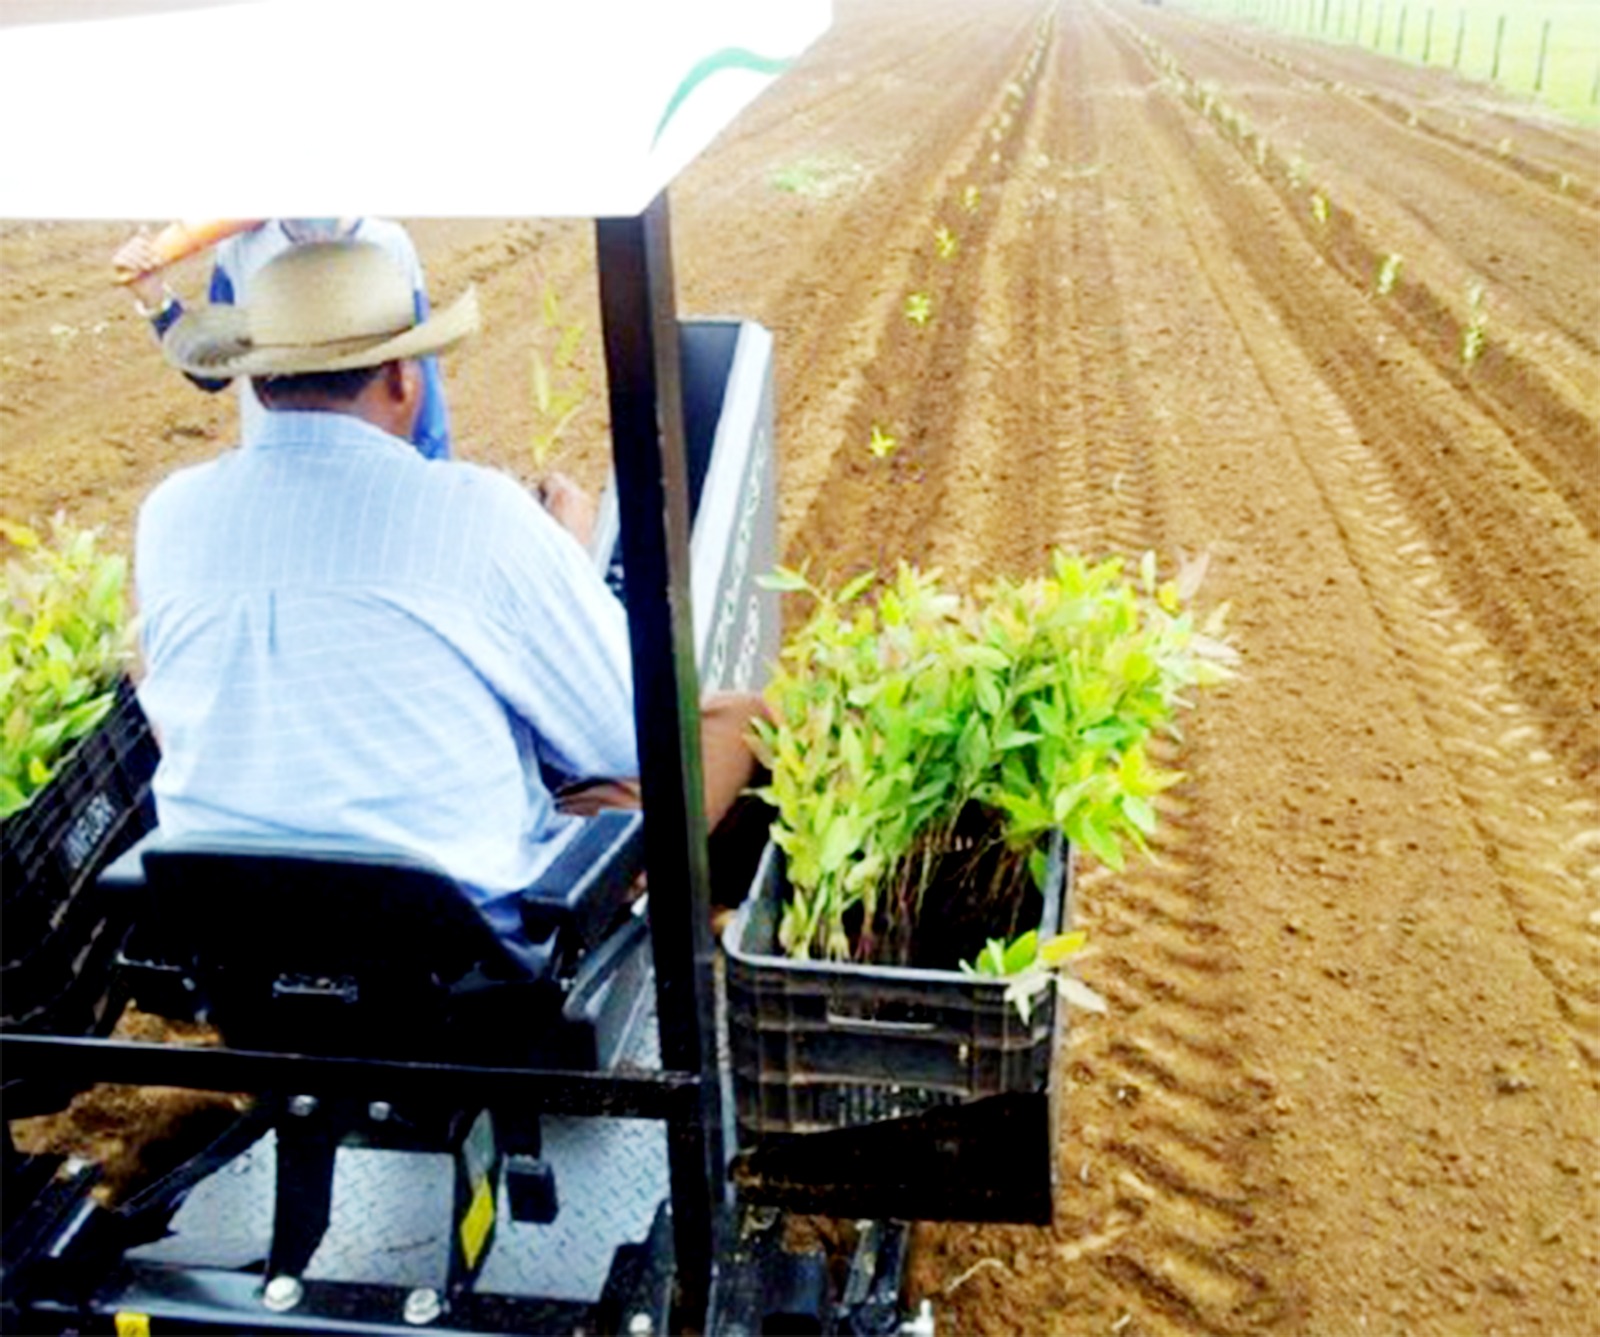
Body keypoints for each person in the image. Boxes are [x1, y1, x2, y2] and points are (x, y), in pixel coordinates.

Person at [136, 239, 764, 964]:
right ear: (406, 379)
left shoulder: (170, 514)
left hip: (231, 936)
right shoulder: (479, 514)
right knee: (740, 721)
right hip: (457, 956)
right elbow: (629, 734)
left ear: (258, 386)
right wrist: (570, 560)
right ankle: (687, 949)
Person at [113, 219, 454, 459]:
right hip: (280, 471)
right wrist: (154, 297)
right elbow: (212, 373)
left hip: (376, 470)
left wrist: (433, 468)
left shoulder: (388, 244)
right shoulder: (239, 251)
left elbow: (421, 373)